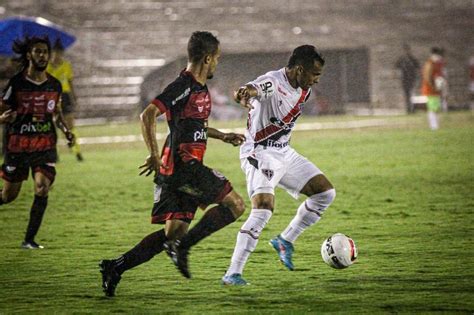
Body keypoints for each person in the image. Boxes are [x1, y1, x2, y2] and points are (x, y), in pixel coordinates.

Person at [99, 31, 246, 297]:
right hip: (183, 168)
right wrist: (154, 154)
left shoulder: (199, 88)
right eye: (217, 59)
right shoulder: (184, 85)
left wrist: (222, 136)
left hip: (176, 169)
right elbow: (148, 114)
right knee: (235, 204)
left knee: (172, 234)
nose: (217, 64)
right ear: (207, 58)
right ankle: (184, 247)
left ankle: (115, 267)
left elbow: (191, 127)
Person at [221, 45, 336, 285]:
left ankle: (285, 240)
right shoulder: (273, 82)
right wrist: (243, 93)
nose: (316, 80)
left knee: (325, 193)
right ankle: (233, 273)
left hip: (284, 152)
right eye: (314, 74)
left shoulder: (303, 89)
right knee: (263, 208)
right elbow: (251, 89)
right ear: (299, 69)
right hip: (260, 153)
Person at [0, 36, 74, 249]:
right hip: (19, 145)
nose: (42, 55)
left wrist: (66, 130)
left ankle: (29, 240)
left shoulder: (54, 84)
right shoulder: (17, 83)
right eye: (38, 51)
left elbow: (56, 112)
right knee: (8, 196)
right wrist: (3, 119)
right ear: (29, 55)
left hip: (44, 144)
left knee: (42, 187)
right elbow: (2, 109)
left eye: (45, 52)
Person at [47, 39, 83, 161]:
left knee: (70, 125)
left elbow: (70, 82)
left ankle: (76, 151)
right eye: (55, 52)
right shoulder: (46, 67)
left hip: (65, 96)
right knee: (51, 126)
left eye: (59, 53)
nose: (57, 55)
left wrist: (74, 97)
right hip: (51, 97)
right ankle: (54, 153)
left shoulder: (66, 65)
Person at [421, 47, 446, 130]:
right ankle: (433, 126)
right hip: (431, 89)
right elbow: (427, 77)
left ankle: (436, 125)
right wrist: (433, 86)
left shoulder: (436, 64)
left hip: (436, 89)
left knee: (436, 107)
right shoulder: (430, 63)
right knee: (432, 107)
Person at [395, 44, 420, 113]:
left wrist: (417, 77)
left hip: (412, 78)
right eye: (405, 50)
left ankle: (413, 108)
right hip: (404, 79)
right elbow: (397, 68)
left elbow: (418, 68)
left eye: (407, 50)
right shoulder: (401, 60)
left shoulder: (413, 59)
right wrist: (397, 77)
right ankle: (408, 109)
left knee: (413, 94)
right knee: (406, 94)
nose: (406, 52)